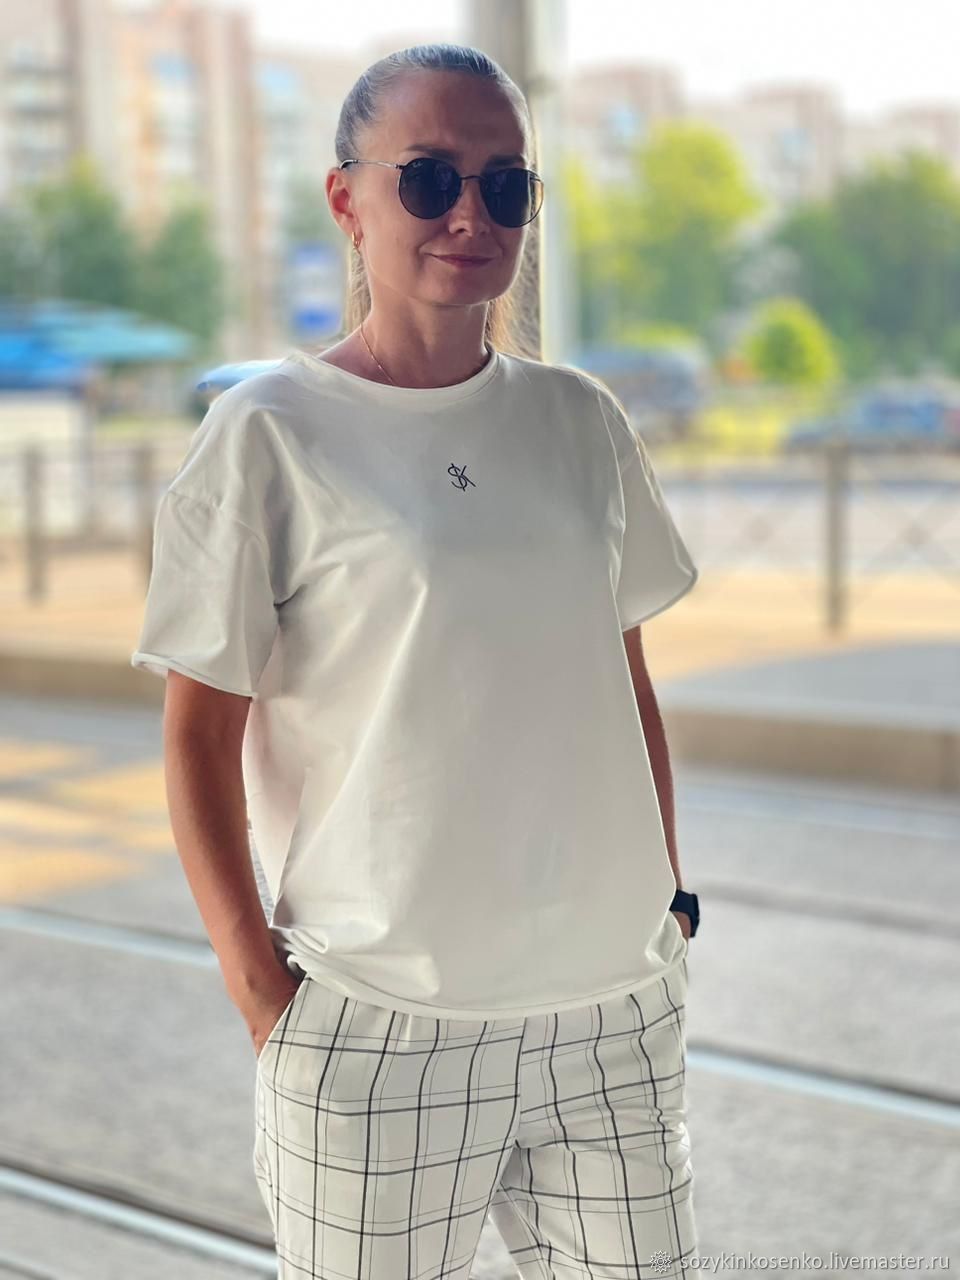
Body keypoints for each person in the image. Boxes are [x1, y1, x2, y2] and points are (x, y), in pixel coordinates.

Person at [131, 41, 702, 1280]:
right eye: (431, 177)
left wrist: (670, 905)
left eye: (506, 185)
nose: (470, 215)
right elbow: (196, 736)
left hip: (612, 1013)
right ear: (347, 198)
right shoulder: (268, 433)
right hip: (382, 1025)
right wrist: (264, 995)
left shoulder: (580, 420)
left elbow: (624, 679)